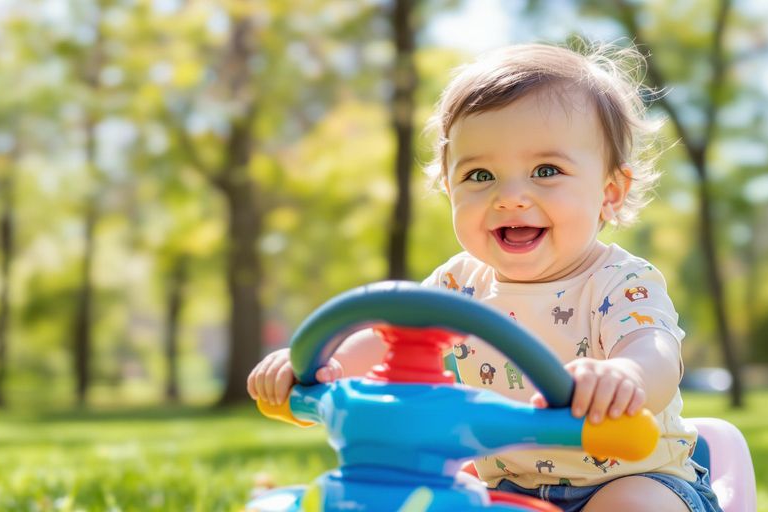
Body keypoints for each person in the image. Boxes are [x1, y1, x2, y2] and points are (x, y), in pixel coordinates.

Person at [247, 42, 721, 512]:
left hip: (635, 474)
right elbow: (391, 342)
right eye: (479, 176)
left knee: (633, 505)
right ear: (448, 187)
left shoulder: (621, 281)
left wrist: (624, 375)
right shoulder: (458, 285)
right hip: (509, 486)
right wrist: (314, 364)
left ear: (610, 192)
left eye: (546, 170)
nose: (510, 196)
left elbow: (655, 351)